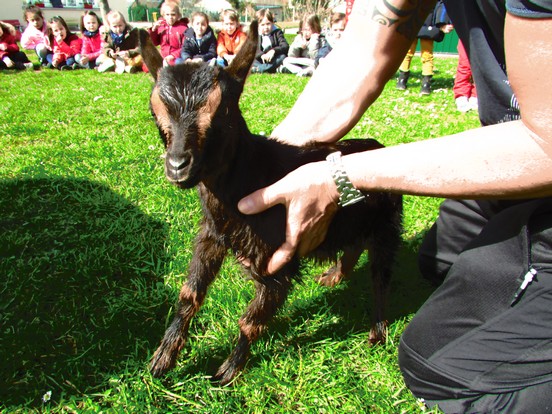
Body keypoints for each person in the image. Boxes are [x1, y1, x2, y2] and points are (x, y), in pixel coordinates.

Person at [237, 0, 552, 412]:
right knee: (439, 260)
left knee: (436, 366)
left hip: (539, 151)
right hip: (514, 151)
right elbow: (363, 55)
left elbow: (545, 142)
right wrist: (275, 168)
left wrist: (340, 177)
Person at [395, 0, 452, 95]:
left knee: (425, 54)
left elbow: (441, 5)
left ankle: (424, 82)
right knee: (409, 52)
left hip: (426, 23)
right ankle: (404, 79)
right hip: (415, 22)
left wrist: (443, 22)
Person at [149, 1, 188, 67]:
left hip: (177, 57)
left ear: (178, 15)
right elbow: (154, 43)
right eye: (167, 14)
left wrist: (173, 55)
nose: (170, 17)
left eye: (173, 14)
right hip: (163, 56)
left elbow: (187, 46)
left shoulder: (184, 28)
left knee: (178, 65)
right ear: (163, 15)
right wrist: (153, 30)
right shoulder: (161, 26)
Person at [251, 8, 289, 74]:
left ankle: (260, 69)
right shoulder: (256, 34)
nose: (266, 27)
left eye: (268, 24)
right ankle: (271, 68)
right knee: (250, 60)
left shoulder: (277, 32)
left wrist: (273, 51)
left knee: (282, 57)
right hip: (260, 59)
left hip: (273, 58)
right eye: (262, 25)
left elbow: (285, 45)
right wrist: (261, 55)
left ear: (272, 23)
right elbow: (254, 49)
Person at [453, 39, 477, 112]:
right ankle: (461, 96)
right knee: (464, 64)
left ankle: (476, 95)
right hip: (468, 33)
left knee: (481, 67)